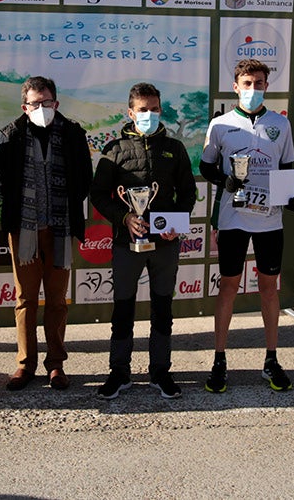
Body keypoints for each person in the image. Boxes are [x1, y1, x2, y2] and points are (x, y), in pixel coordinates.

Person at [199, 59, 294, 393]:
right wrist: (224, 181)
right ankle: (219, 359)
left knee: (269, 288)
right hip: (233, 219)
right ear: (236, 85)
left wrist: (293, 196)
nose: (253, 89)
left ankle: (271, 359)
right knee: (228, 286)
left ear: (266, 87)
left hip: (269, 220)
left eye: (259, 83)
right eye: (247, 83)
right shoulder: (220, 125)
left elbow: (288, 168)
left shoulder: (279, 125)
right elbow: (206, 166)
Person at [89, 82, 196, 400]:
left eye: (154, 109)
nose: (149, 114)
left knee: (162, 307)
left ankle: (160, 372)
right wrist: (124, 217)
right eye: (143, 110)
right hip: (127, 242)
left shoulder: (174, 148)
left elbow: (188, 192)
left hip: (165, 244)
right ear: (130, 112)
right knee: (123, 307)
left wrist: (175, 223)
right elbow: (98, 194)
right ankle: (119, 373)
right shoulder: (115, 149)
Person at [0, 76, 92, 392]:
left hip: (61, 230)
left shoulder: (74, 135)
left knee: (58, 302)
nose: (41, 107)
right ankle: (25, 364)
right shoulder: (10, 137)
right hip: (25, 231)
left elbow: (85, 179)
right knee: (25, 300)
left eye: (46, 102)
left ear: (56, 103)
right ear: (25, 106)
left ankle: (56, 365)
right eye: (35, 103)